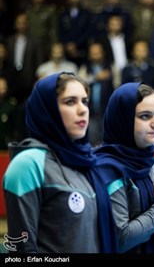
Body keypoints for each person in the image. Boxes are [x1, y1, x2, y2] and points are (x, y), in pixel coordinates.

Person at [2, 72, 117, 253]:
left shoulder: (87, 163)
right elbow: (22, 251)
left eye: (84, 101)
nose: (82, 110)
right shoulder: (28, 164)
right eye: (70, 102)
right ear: (47, 110)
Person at [94, 82, 154, 253]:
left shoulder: (152, 161)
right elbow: (120, 238)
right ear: (123, 119)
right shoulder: (107, 170)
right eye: (145, 116)